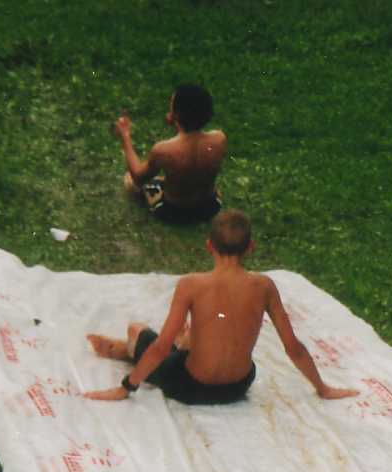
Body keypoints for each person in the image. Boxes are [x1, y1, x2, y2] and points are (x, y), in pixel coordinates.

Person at [85, 210, 359, 405]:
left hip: (190, 387)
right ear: (250, 247)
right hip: (238, 387)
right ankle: (175, 343)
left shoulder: (191, 285)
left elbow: (159, 347)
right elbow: (293, 346)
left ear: (209, 246)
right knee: (192, 335)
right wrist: (322, 388)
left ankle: (129, 348)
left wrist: (126, 387)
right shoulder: (264, 286)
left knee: (138, 330)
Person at [116, 83, 226, 224]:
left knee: (130, 181)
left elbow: (138, 176)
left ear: (177, 114)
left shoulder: (164, 150)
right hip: (211, 207)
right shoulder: (219, 138)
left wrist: (125, 136)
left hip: (174, 212)